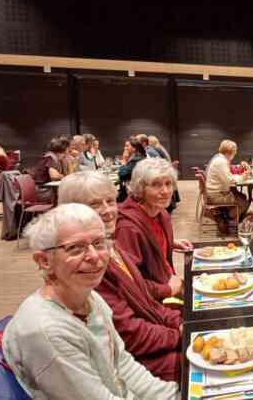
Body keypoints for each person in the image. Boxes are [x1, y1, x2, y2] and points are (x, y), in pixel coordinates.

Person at [2, 203, 179, 399]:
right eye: (75, 248)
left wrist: (174, 395)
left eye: (99, 243)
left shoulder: (91, 298)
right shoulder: (47, 332)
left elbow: (123, 366)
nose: (94, 256)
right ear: (44, 261)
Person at [58, 171, 182, 382]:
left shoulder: (111, 246)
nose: (108, 211)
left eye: (110, 201)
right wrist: (180, 335)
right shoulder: (86, 267)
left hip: (151, 338)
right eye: (95, 205)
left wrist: (181, 323)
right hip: (130, 363)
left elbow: (147, 303)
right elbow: (130, 336)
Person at [115, 158, 191, 301]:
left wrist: (170, 242)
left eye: (168, 184)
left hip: (167, 281)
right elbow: (127, 283)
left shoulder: (160, 213)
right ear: (140, 188)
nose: (165, 191)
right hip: (154, 300)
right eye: (156, 185)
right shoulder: (127, 228)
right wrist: (167, 290)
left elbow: (149, 236)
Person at [205, 139, 251, 234]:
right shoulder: (221, 162)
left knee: (242, 197)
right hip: (218, 195)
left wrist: (239, 171)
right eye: (235, 152)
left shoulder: (220, 159)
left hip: (215, 192)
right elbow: (230, 181)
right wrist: (243, 176)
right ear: (231, 152)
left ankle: (228, 219)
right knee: (243, 202)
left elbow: (228, 176)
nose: (235, 154)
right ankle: (231, 225)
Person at [31, 136, 70, 203]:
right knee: (69, 194)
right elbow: (54, 176)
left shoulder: (56, 157)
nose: (69, 150)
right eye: (68, 148)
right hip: (42, 191)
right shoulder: (51, 158)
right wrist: (64, 176)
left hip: (46, 190)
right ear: (64, 148)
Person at [117, 136, 146, 202]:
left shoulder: (136, 159)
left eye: (127, 146)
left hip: (133, 191)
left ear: (134, 148)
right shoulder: (138, 156)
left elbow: (122, 174)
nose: (125, 148)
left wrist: (124, 161)